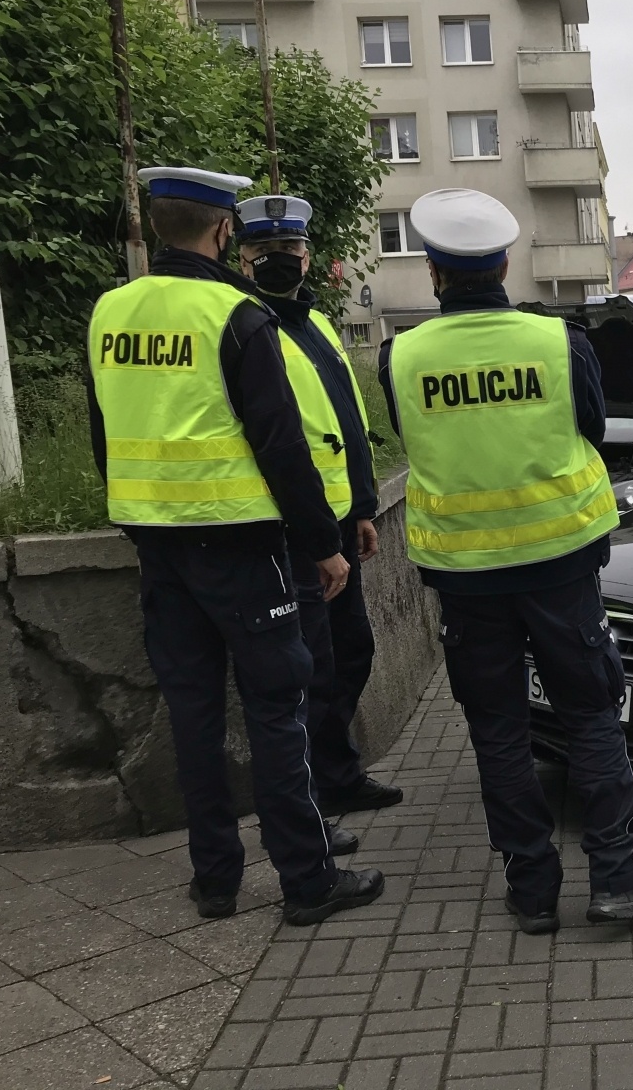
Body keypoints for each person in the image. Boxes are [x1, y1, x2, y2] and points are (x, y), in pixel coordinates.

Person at [378, 187, 633, 935]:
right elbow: (589, 425)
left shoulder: (401, 355)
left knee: (498, 728)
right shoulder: (557, 341)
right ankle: (616, 876)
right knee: (590, 717)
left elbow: (413, 439)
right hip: (560, 563)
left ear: (433, 272)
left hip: (464, 575)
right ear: (505, 263)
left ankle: (531, 889)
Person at [86, 167, 383, 926]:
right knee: (277, 710)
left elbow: (104, 437)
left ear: (156, 227)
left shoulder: (110, 311)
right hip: (245, 547)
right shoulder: (237, 315)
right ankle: (308, 881)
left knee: (193, 715)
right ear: (224, 233)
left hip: (159, 546)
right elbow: (281, 445)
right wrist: (325, 545)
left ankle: (215, 880)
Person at [236, 195, 400, 857]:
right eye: (265, 256)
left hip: (335, 523)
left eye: (290, 254)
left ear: (308, 259)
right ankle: (314, 807)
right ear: (241, 258)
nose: (280, 264)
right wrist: (319, 533)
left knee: (349, 654)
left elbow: (345, 428)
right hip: (293, 532)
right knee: (308, 673)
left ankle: (338, 774)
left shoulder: (318, 326)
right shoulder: (246, 329)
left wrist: (361, 507)